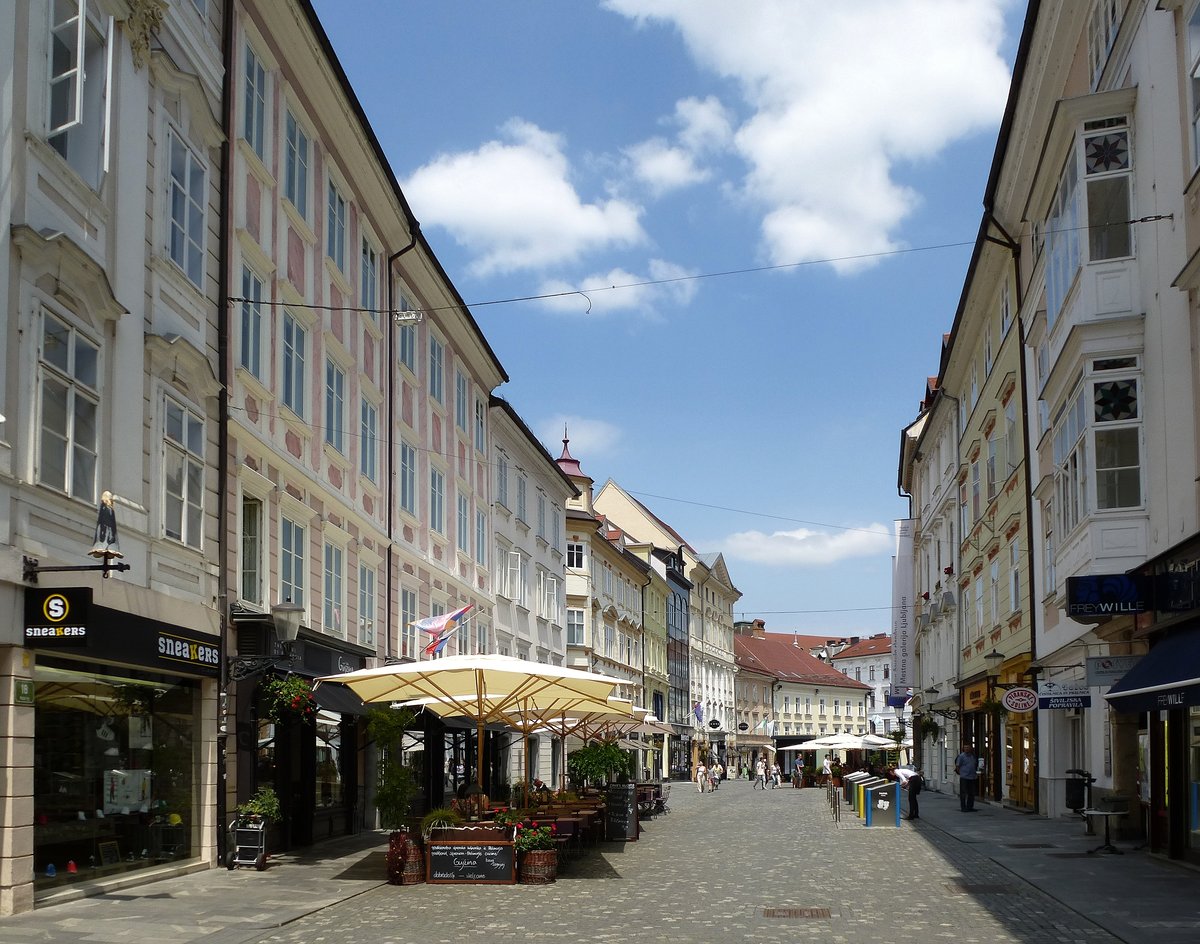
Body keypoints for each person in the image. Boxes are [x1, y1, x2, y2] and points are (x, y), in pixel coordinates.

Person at [955, 743, 979, 812]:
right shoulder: (961, 756)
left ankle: (970, 807)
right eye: (965, 747)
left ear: (970, 748)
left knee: (971, 793)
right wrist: (960, 773)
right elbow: (957, 766)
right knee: (963, 793)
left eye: (968, 747)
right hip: (964, 777)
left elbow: (974, 765)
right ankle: (963, 807)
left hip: (972, 777)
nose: (966, 749)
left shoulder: (972, 756)